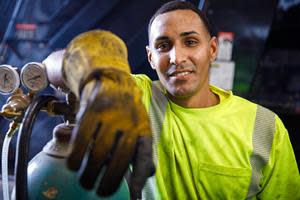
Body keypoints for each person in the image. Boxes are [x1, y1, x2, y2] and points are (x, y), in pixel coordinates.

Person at [52, 0, 300, 199]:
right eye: (163, 46)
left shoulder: (266, 127)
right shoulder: (135, 96)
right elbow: (51, 66)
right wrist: (94, 74)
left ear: (212, 49)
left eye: (190, 42)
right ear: (150, 58)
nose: (176, 57)